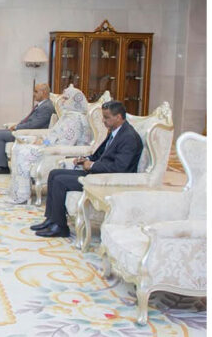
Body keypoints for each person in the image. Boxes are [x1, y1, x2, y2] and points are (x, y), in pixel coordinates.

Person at [30, 100, 143, 237]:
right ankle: (52, 219)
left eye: (106, 117)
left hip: (106, 180)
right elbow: (101, 155)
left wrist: (93, 165)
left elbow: (120, 168)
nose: (103, 121)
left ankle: (60, 227)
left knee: (60, 180)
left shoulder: (129, 137)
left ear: (118, 117)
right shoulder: (115, 131)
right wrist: (86, 159)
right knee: (54, 174)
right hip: (98, 173)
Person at [6, 86, 92, 204]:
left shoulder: (77, 119)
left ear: (73, 100)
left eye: (66, 98)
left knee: (23, 151)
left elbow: (66, 142)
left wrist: (44, 143)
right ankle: (17, 191)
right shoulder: (68, 115)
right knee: (19, 149)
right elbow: (54, 134)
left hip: (59, 152)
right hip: (50, 146)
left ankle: (22, 194)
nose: (62, 101)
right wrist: (43, 140)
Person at [0, 83, 55, 174]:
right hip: (24, 130)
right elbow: (28, 120)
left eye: (36, 91)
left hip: (30, 134)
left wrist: (17, 127)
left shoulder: (46, 107)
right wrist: (17, 125)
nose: (33, 94)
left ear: (43, 92)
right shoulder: (42, 105)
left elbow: (34, 125)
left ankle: (3, 167)